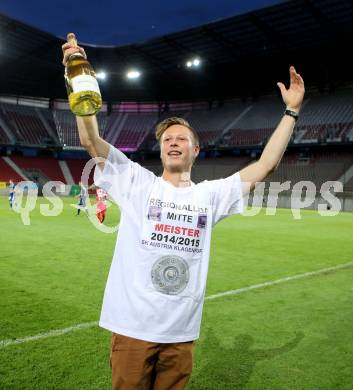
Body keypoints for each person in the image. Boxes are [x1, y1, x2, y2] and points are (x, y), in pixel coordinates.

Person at [62, 42, 305, 389]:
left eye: (181, 138)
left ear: (195, 149)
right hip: (133, 328)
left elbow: (265, 165)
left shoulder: (210, 195)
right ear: (161, 150)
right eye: (166, 140)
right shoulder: (136, 182)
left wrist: (291, 112)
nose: (173, 143)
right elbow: (91, 140)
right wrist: (78, 79)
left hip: (180, 334)